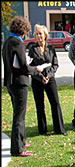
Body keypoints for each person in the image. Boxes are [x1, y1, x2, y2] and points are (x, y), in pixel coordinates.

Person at [2, 16, 44, 157]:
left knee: (18, 113)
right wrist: (36, 69)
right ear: (24, 30)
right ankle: (17, 149)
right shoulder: (18, 43)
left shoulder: (7, 42)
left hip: (10, 82)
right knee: (19, 116)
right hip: (19, 83)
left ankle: (22, 141)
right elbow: (24, 67)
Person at [28, 24, 67, 136]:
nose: (39, 36)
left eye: (41, 34)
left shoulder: (51, 48)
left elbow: (55, 64)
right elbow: (30, 67)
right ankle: (42, 130)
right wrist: (40, 77)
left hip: (50, 79)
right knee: (40, 105)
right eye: (37, 34)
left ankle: (59, 129)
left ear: (45, 35)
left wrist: (48, 76)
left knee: (55, 103)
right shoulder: (32, 49)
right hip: (37, 80)